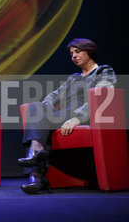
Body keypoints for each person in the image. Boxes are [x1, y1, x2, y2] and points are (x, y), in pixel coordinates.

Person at [17, 38, 116, 194]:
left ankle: (36, 174)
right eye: (71, 54)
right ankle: (36, 154)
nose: (74, 56)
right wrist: (44, 110)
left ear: (89, 50)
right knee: (36, 107)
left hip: (87, 116)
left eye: (78, 51)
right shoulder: (74, 77)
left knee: (41, 123)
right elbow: (54, 95)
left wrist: (77, 118)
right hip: (63, 115)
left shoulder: (103, 71)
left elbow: (102, 96)